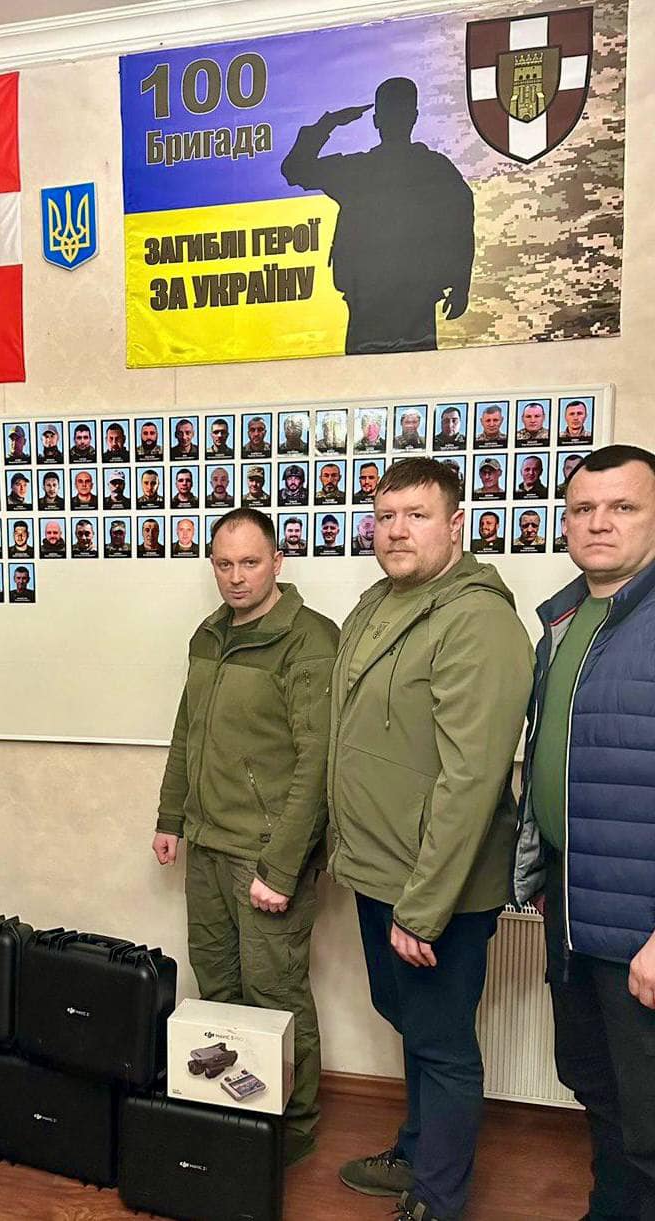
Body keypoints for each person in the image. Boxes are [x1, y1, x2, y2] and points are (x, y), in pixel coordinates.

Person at [329, 458, 532, 1221]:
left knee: (443, 1042)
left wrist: (423, 906)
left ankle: (439, 1200)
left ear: (455, 525)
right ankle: (415, 1151)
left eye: (416, 515)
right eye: (386, 516)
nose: (396, 530)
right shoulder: (378, 604)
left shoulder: (477, 619)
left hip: (436, 886)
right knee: (407, 1016)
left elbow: (471, 779)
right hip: (379, 869)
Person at [155, 507, 338, 1165]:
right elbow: (188, 731)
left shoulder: (309, 639)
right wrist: (170, 817)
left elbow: (317, 763)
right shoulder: (208, 634)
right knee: (217, 985)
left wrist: (281, 868)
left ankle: (295, 1124)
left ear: (277, 562)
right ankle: (237, 1114)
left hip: (264, 854)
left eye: (250, 562)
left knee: (275, 992)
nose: (236, 577)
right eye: (224, 564)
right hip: (207, 844)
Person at [512, 446, 655, 1220]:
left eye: (623, 506)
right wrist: (543, 875)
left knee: (650, 1116)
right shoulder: (563, 623)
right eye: (583, 509)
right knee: (597, 1086)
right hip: (572, 902)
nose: (599, 522)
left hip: (640, 921)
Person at [281, 76, 473, 355]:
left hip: (391, 303)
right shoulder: (434, 168)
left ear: (376, 120)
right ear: (413, 117)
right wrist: (460, 284)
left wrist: (328, 124)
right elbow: (462, 226)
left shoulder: (359, 171)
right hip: (388, 303)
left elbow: (295, 169)